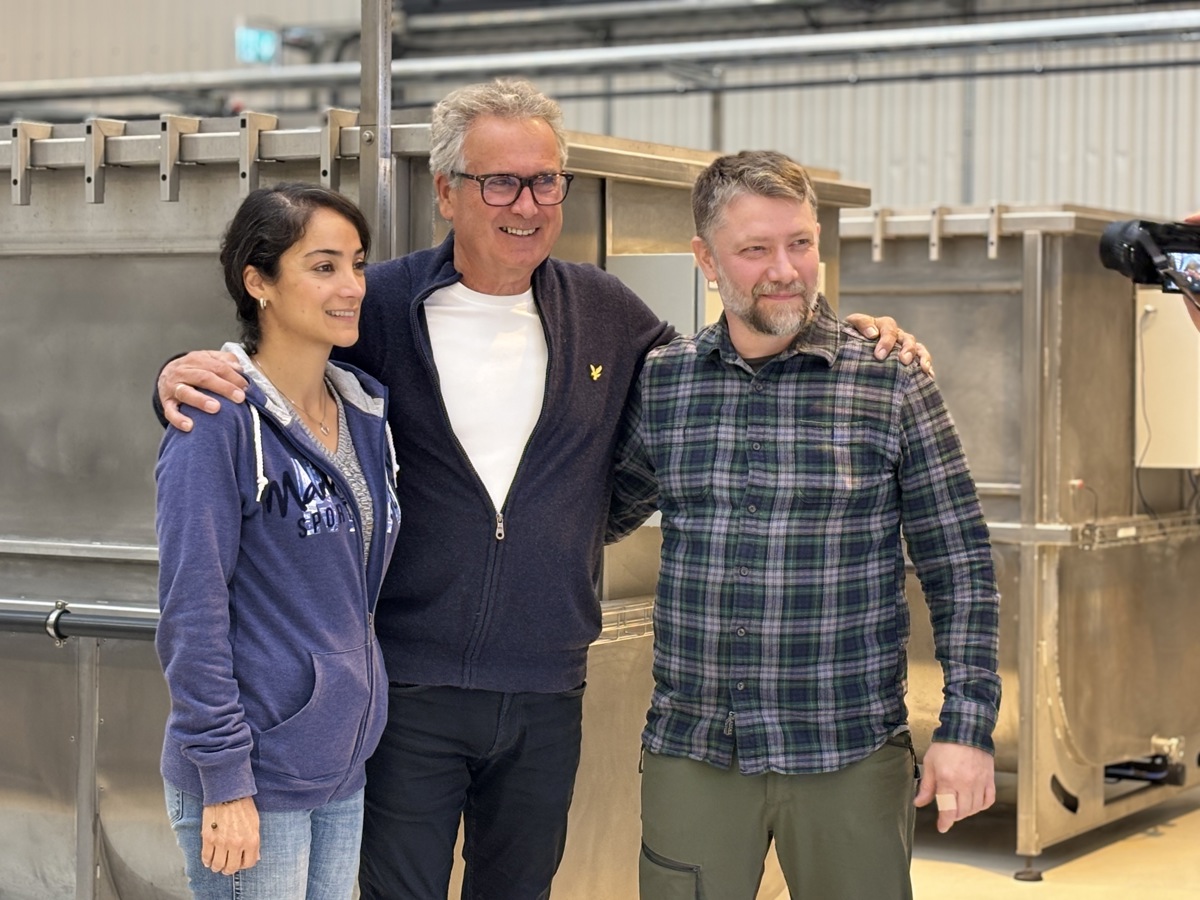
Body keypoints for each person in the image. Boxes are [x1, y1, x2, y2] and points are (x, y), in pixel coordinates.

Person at [155, 80, 931, 900]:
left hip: (545, 690)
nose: (526, 204)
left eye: (545, 180)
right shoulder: (374, 306)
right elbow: (273, 364)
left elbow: (729, 363)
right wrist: (176, 373)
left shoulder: (605, 310)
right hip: (408, 689)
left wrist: (851, 332)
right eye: (500, 182)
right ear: (448, 192)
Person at [607, 150, 1000, 900]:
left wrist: (968, 727)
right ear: (705, 260)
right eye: (755, 250)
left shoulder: (889, 379)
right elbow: (592, 514)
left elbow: (961, 565)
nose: (785, 269)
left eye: (801, 243)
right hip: (696, 751)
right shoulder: (666, 383)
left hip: (847, 750)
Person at [155, 183, 400, 899]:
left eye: (357, 264)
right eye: (323, 267)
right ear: (257, 281)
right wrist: (225, 781)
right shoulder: (216, 423)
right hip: (251, 774)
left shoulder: (362, 412)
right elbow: (190, 612)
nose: (352, 286)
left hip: (338, 762)